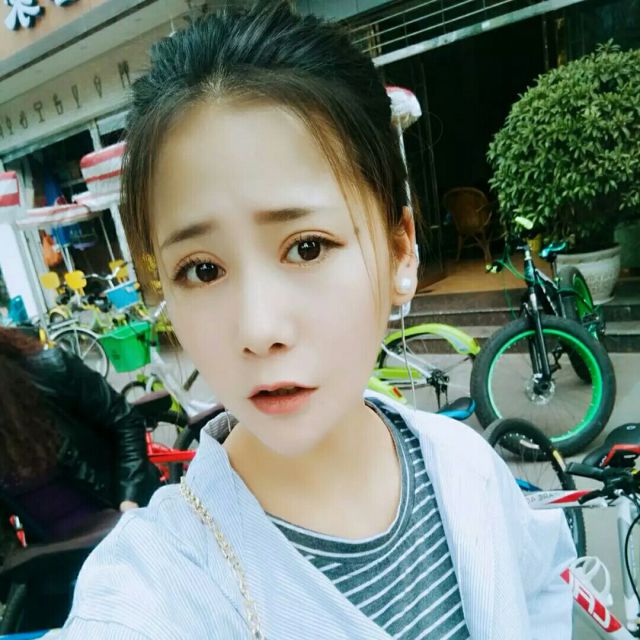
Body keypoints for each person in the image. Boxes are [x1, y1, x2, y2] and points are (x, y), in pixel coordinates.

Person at [60, 3, 575, 639]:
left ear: (400, 251)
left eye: (307, 247)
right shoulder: (154, 588)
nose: (259, 329)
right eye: (202, 269)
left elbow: (542, 596)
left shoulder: (465, 465)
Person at [0, 326, 161, 556]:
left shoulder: (52, 369)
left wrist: (129, 501)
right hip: (60, 557)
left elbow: (125, 421)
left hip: (121, 521)